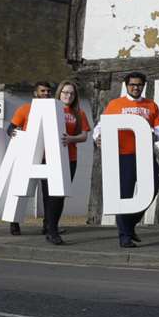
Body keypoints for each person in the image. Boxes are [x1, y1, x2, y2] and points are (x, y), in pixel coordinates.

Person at [97, 72, 159, 248]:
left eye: (139, 84)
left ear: (143, 86)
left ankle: (130, 225)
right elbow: (100, 127)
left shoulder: (151, 105)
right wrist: (98, 138)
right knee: (124, 195)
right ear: (126, 85)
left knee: (152, 189)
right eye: (132, 84)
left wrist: (148, 132)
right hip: (122, 155)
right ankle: (124, 236)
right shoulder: (115, 104)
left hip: (144, 155)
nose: (136, 87)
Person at [38, 80, 91, 246]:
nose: (68, 95)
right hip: (49, 158)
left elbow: (84, 135)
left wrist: (71, 139)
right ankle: (51, 230)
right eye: (65, 92)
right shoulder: (50, 110)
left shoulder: (78, 113)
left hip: (70, 159)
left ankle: (52, 227)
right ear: (59, 93)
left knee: (60, 195)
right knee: (50, 195)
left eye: (71, 93)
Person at [4, 81, 54, 234]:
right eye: (43, 91)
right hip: (28, 155)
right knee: (20, 190)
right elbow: (10, 128)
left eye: (48, 91)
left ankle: (48, 224)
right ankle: (14, 222)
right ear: (35, 93)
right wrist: (14, 132)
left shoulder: (54, 110)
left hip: (48, 157)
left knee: (49, 193)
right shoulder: (25, 109)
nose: (46, 93)